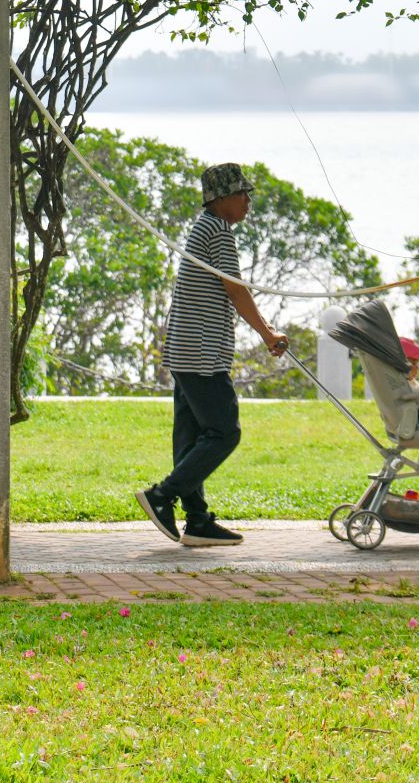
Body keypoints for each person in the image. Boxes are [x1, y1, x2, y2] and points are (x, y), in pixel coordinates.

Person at [135, 163, 288, 549]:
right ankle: (161, 495)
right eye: (242, 194)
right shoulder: (218, 232)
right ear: (221, 200)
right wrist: (268, 333)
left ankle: (198, 521)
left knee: (190, 439)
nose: (248, 202)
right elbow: (235, 290)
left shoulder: (204, 226)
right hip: (202, 354)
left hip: (186, 350)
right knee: (224, 431)